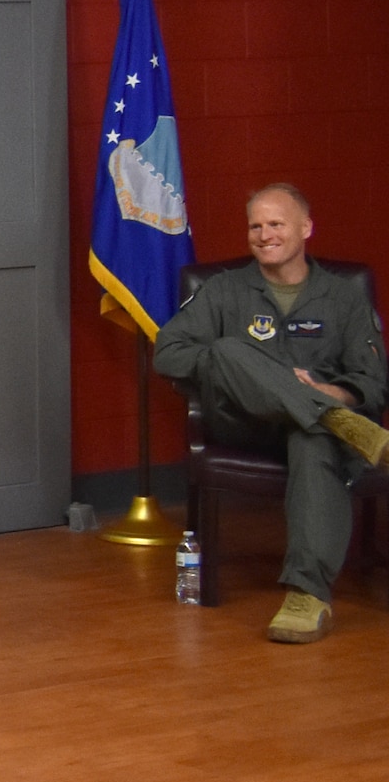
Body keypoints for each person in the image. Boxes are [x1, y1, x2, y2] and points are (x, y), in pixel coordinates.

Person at [154, 183, 389, 644]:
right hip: (244, 424)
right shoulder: (224, 289)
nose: (264, 234)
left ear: (305, 228)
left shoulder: (343, 299)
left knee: (311, 437)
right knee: (225, 349)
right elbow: (169, 351)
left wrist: (325, 392)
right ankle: (328, 418)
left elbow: (373, 382)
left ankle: (307, 594)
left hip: (310, 432)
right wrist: (233, 367)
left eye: (276, 224)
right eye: (255, 226)